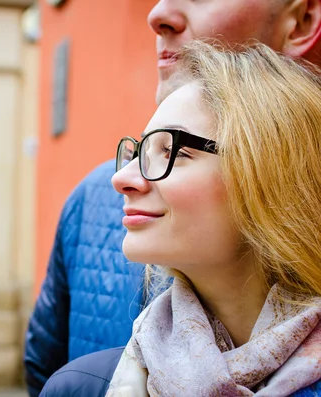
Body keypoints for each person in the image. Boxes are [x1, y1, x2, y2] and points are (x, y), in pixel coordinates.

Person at [24, 0, 321, 395]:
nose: (123, 181)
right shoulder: (83, 380)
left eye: (174, 151)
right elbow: (42, 365)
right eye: (140, 151)